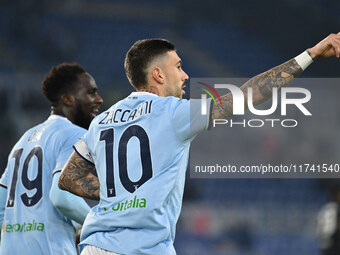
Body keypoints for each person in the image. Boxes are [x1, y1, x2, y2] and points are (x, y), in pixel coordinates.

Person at [58, 33, 340, 255]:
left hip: (94, 247)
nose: (185, 76)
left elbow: (69, 178)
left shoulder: (103, 121)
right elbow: (248, 94)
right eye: (178, 67)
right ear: (158, 74)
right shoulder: (173, 112)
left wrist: (115, 193)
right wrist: (310, 55)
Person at [0, 63, 103, 254]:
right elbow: (61, 197)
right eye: (90, 92)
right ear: (68, 99)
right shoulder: (74, 134)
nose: (98, 99)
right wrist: (99, 225)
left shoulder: (23, 140)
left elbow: (1, 206)